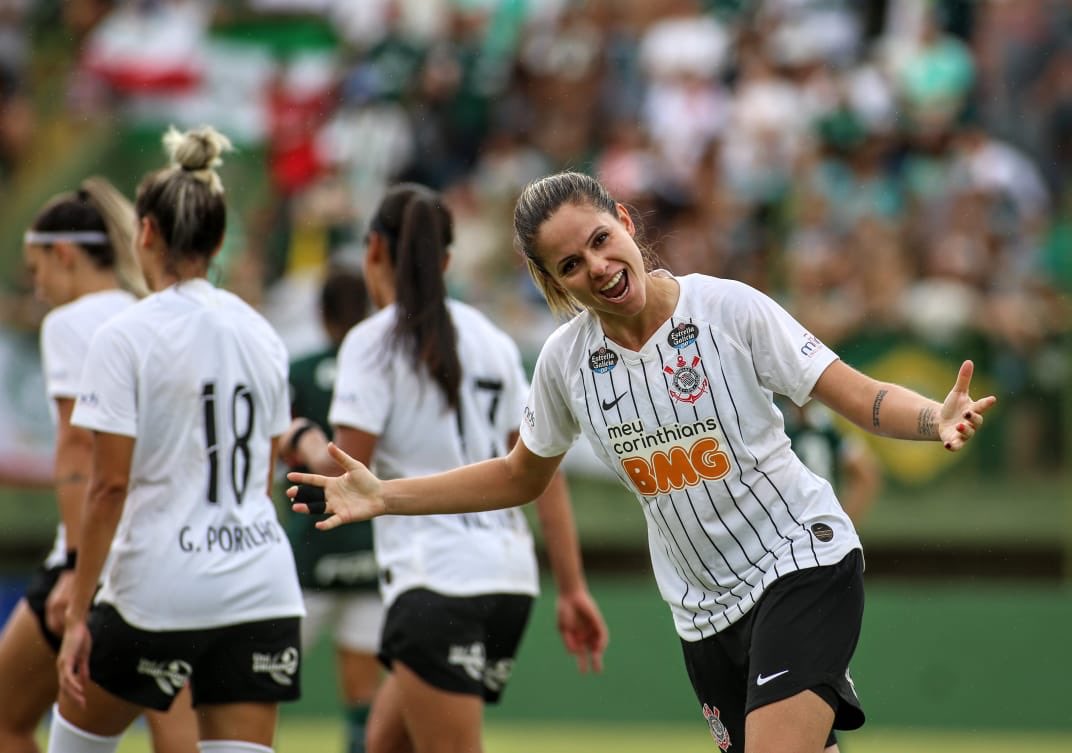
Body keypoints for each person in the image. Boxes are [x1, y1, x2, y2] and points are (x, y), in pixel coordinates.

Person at [286, 172, 998, 753]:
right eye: (570, 264)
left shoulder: (729, 309)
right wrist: (385, 494)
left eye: (600, 240)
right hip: (701, 612)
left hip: (800, 564)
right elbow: (518, 476)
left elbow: (857, 393)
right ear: (552, 280)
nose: (597, 266)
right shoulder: (565, 364)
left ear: (625, 221)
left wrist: (931, 417)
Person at [282, 182, 608, 753]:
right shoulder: (493, 341)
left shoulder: (371, 343)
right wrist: (571, 586)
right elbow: (539, 472)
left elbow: (345, 472)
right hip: (508, 582)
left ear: (373, 251)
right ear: (448, 261)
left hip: (435, 581)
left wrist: (302, 439)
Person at [48, 126, 305, 753]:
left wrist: (80, 613)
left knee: (76, 742)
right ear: (218, 241)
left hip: (158, 589)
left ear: (144, 234)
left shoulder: (125, 336)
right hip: (260, 585)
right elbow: (265, 471)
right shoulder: (262, 333)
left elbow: (108, 486)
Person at [1, 177, 198, 753]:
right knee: (176, 733)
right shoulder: (151, 314)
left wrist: (75, 567)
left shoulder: (71, 322)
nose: (37, 292)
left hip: (98, 554)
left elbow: (79, 451)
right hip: (169, 552)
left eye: (37, 272)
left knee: (9, 718)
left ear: (64, 254)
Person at [280, 265, 382, 753]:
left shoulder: (298, 373)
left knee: (258, 680)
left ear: (321, 313)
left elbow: (277, 447)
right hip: (368, 548)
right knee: (363, 696)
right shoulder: (382, 370)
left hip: (308, 549)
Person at [777, 398, 883, 525]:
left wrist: (841, 524)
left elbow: (866, 473)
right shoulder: (818, 420)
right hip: (789, 523)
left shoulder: (823, 423)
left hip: (804, 522)